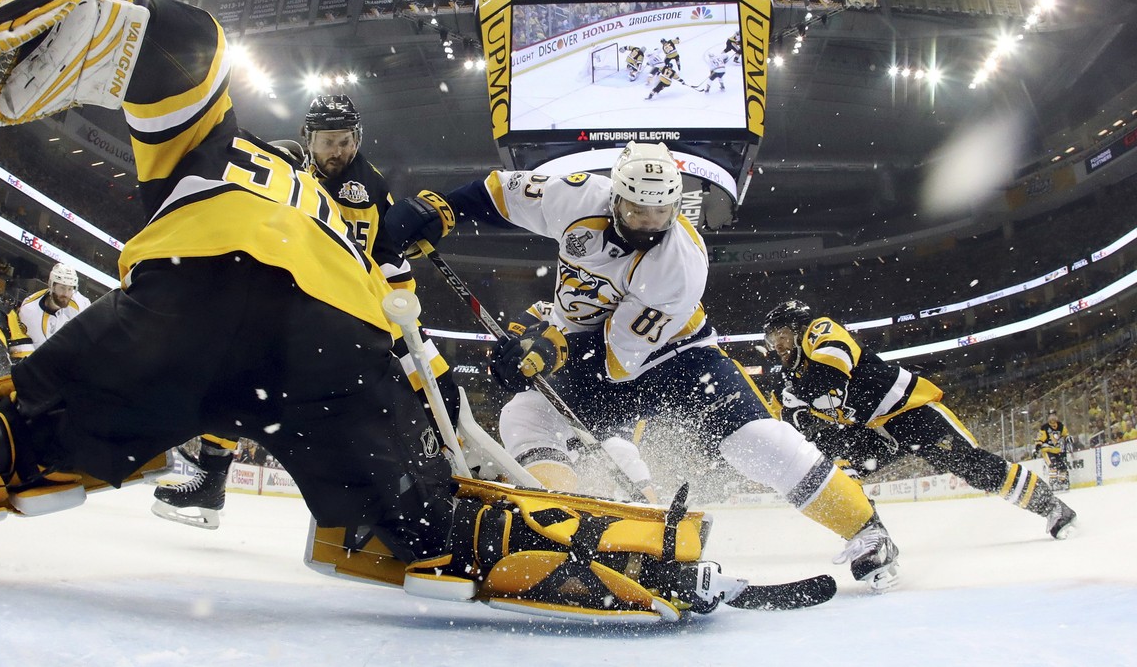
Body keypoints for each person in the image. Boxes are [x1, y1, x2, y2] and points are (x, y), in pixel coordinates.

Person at [0, 0, 734, 622]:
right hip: (331, 340)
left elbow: (187, 52)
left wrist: (112, 15)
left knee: (28, 432)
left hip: (191, 300)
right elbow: (398, 295)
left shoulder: (224, 150)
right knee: (423, 519)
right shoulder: (344, 203)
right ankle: (657, 560)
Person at [385, 143, 904, 590]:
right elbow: (498, 192)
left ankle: (866, 529)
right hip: (590, 344)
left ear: (676, 206)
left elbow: (615, 361)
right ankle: (560, 529)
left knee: (755, 442)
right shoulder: (575, 195)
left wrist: (544, 348)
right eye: (635, 210)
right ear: (614, 197)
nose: (648, 224)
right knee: (525, 415)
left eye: (660, 214)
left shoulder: (679, 267)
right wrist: (440, 208)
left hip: (678, 357)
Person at [151, 93, 460, 529]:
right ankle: (213, 480)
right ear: (309, 139)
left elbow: (388, 260)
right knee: (238, 373)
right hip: (310, 307)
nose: (341, 151)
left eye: (347, 140)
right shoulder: (298, 172)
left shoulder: (361, 188)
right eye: (330, 141)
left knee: (432, 383)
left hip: (360, 310)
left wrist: (402, 324)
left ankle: (445, 483)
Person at [763, 300, 1077, 539]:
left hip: (908, 412)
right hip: (872, 433)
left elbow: (832, 374)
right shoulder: (790, 376)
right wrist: (791, 418)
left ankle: (1050, 505)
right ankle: (871, 538)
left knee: (971, 465)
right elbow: (772, 424)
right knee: (832, 476)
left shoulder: (819, 331)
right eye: (771, 339)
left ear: (800, 329)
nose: (777, 346)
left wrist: (798, 399)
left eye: (782, 336)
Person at [16, 263, 92, 347]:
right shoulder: (30, 311)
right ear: (51, 286)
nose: (66, 294)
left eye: (70, 289)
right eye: (62, 288)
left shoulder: (80, 303)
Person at [1035, 411, 1071, 493]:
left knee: (1063, 466)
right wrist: (1038, 445)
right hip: (1047, 450)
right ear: (1048, 418)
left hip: (1057, 450)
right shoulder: (1045, 427)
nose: (1052, 418)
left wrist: (1068, 437)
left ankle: (1062, 482)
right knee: (1053, 465)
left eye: (1054, 416)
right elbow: (1040, 438)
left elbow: (1066, 434)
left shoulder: (1060, 426)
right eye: (1050, 416)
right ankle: (1053, 483)